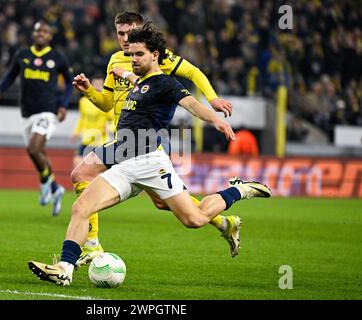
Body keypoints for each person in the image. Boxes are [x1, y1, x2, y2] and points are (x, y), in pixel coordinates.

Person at [28, 23, 271, 286]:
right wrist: (117, 76)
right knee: (81, 207)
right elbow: (139, 83)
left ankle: (239, 190)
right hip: (124, 161)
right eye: (131, 54)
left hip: (150, 163)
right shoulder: (140, 81)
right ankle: (65, 269)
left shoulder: (166, 84)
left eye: (139, 54)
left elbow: (191, 103)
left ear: (155, 55)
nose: (133, 59)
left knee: (195, 218)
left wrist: (216, 119)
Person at [70, 12, 237, 264]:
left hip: (149, 139)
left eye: (130, 33)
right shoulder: (116, 60)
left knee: (85, 175)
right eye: (120, 34)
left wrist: (212, 99)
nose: (125, 39)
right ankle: (224, 222)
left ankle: (92, 247)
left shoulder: (158, 57)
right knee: (161, 201)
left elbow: (194, 73)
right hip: (123, 139)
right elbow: (106, 104)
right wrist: (90, 92)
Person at [0, 20, 73, 216]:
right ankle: (55, 189)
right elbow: (11, 75)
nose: (41, 34)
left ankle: (45, 182)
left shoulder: (57, 57)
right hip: (27, 113)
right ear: (33, 34)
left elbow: (70, 83)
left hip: (48, 111)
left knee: (34, 148)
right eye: (38, 31)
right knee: (38, 153)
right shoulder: (22, 54)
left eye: (45, 31)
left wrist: (62, 105)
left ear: (50, 36)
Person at [72, 77, 114, 168]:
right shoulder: (83, 101)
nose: (98, 87)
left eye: (100, 85)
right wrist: (76, 131)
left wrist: (109, 128)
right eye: (96, 84)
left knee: (95, 170)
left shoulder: (106, 103)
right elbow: (82, 118)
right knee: (77, 166)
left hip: (100, 141)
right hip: (86, 139)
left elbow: (115, 120)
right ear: (91, 85)